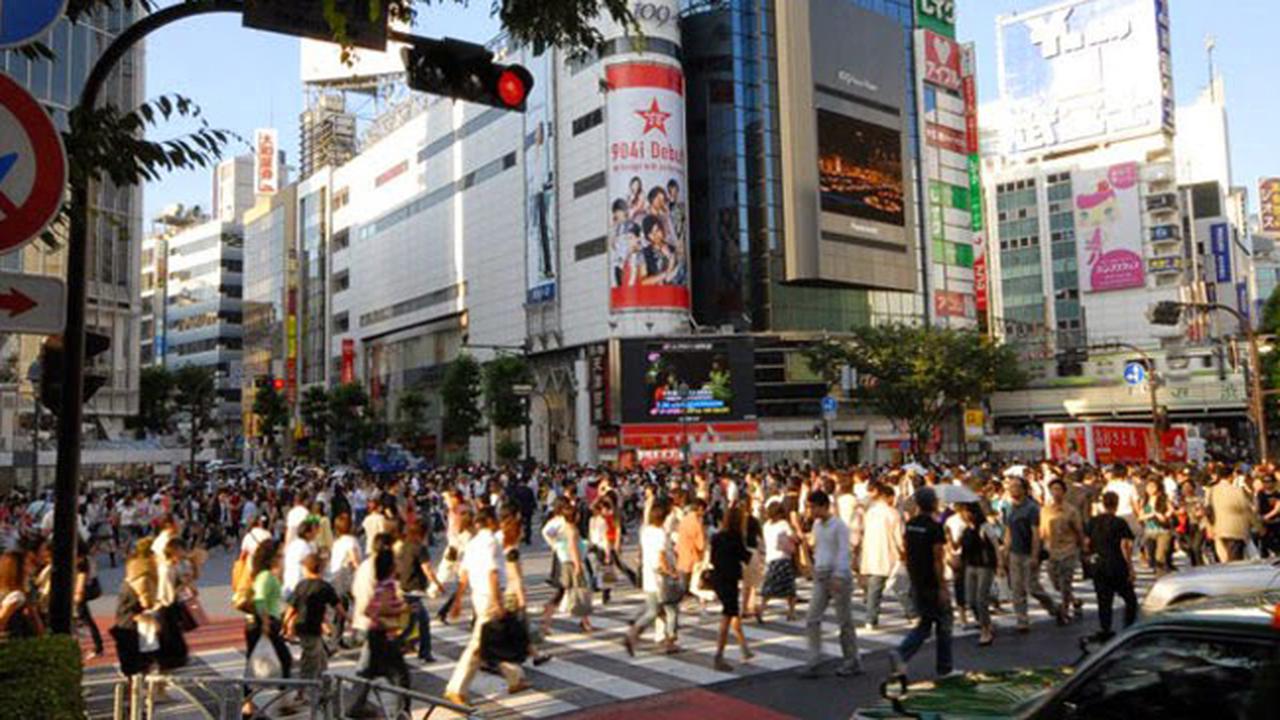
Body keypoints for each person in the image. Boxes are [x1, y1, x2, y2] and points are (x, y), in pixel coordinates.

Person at [444, 507, 529, 707]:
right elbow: (492, 573)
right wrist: (498, 601)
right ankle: (456, 688)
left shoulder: (473, 543)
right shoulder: (492, 542)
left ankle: (515, 677)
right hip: (490, 597)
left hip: (477, 596)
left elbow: (463, 576)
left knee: (496, 639)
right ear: (491, 521)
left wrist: (458, 601)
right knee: (478, 644)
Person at [890, 487, 955, 679]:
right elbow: (938, 559)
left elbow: (906, 550)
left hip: (917, 579)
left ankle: (902, 653)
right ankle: (945, 667)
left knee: (926, 623)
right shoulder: (935, 527)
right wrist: (942, 586)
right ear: (933, 503)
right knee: (944, 624)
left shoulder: (911, 525)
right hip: (932, 582)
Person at [800, 490, 862, 679]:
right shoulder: (817, 525)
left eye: (812, 507)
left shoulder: (839, 526)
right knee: (812, 618)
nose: (810, 511)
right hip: (821, 574)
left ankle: (852, 660)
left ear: (823, 506)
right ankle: (814, 659)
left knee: (844, 620)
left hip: (838, 576)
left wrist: (839, 574)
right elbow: (819, 547)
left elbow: (844, 551)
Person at [347, 549, 412, 719]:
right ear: (391, 566)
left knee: (369, 674)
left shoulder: (379, 583)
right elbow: (382, 608)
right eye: (396, 561)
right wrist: (403, 608)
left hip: (376, 634)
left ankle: (357, 706)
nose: (399, 564)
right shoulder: (388, 584)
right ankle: (402, 712)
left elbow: (369, 609)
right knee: (400, 676)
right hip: (384, 636)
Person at [284, 552, 344, 707]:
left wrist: (286, 624)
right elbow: (338, 607)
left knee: (320, 657)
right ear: (321, 569)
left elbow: (291, 608)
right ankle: (302, 693)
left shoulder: (301, 585)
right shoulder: (325, 587)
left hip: (303, 626)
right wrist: (344, 619)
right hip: (312, 628)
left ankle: (323, 689)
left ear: (306, 568)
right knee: (310, 661)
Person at [624, 499, 680, 656]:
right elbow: (662, 557)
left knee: (658, 609)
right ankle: (637, 635)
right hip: (660, 578)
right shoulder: (660, 534)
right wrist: (671, 571)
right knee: (667, 609)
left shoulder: (646, 530)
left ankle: (658, 637)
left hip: (648, 574)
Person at [1002, 476, 1059, 632]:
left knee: (1032, 587)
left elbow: (1036, 534)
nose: (1013, 490)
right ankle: (1022, 620)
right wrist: (1005, 551)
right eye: (1011, 487)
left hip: (1029, 552)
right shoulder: (1009, 508)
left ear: (1024, 489)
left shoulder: (1032, 508)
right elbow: (1008, 530)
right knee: (1017, 588)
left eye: (1016, 486)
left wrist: (1035, 555)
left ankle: (1054, 608)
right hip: (1015, 552)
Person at [1084, 491, 1138, 641]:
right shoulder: (1119, 522)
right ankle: (1129, 626)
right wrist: (1130, 568)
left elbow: (1086, 543)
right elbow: (1125, 545)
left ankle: (1105, 628)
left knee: (1103, 599)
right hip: (1117, 563)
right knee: (1130, 598)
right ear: (1116, 504)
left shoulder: (1092, 521)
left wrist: (1089, 558)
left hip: (1099, 564)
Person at [709, 503, 753, 671]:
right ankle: (719, 656)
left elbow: (713, 559)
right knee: (727, 616)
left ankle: (744, 648)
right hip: (730, 580)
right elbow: (745, 557)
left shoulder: (718, 537)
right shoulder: (735, 537)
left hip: (718, 578)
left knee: (733, 614)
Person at [860, 482, 909, 629]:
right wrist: (903, 551)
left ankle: (870, 619)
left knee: (874, 590)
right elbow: (899, 536)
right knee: (901, 586)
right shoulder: (892, 513)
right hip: (890, 553)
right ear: (888, 497)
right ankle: (912, 613)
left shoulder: (870, 512)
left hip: (872, 553)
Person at [1040, 478, 1084, 622]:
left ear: (1064, 492)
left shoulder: (1071, 510)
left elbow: (1078, 530)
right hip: (1052, 550)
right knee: (1055, 581)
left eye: (1058, 489)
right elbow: (1042, 530)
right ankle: (1075, 600)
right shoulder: (1045, 510)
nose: (1055, 492)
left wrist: (1083, 546)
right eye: (1053, 489)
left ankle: (1065, 611)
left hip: (1069, 549)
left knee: (1066, 582)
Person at [959, 503, 998, 646]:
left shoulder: (984, 527)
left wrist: (999, 564)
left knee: (981, 598)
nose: (964, 515)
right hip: (970, 565)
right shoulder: (966, 529)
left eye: (966, 512)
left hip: (984, 565)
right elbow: (960, 546)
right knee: (971, 599)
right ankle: (984, 621)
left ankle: (985, 630)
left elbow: (995, 544)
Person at [1207, 465, 1258, 561]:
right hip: (1236, 529)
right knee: (1235, 560)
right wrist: (1258, 525)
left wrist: (1209, 527)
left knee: (1225, 559)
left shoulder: (1211, 490)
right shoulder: (1237, 491)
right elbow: (1246, 509)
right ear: (1230, 476)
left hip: (1218, 529)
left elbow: (1207, 510)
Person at [759, 501, 798, 622]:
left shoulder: (766, 525)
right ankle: (791, 612)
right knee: (790, 587)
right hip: (783, 557)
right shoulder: (783, 524)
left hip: (771, 558)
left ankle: (761, 609)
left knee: (769, 587)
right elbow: (793, 537)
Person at [0, 550, 40, 640]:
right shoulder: (16, 596)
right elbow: (2, 619)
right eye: (26, 565)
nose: (29, 568)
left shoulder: (7, 593)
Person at [1138, 479, 1174, 575]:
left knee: (1160, 556)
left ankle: (1160, 577)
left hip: (1163, 530)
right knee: (1152, 557)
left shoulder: (1163, 499)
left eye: (1153, 486)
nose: (1150, 489)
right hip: (1149, 531)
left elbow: (1171, 510)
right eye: (1148, 486)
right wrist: (1151, 514)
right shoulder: (1144, 500)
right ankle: (1162, 571)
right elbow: (1140, 516)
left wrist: (1165, 515)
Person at [75, 539, 104, 657]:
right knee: (86, 620)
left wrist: (78, 594)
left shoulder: (81, 562)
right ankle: (98, 646)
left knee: (83, 620)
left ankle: (97, 647)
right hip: (86, 590)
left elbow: (82, 579)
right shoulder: (87, 559)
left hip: (81, 593)